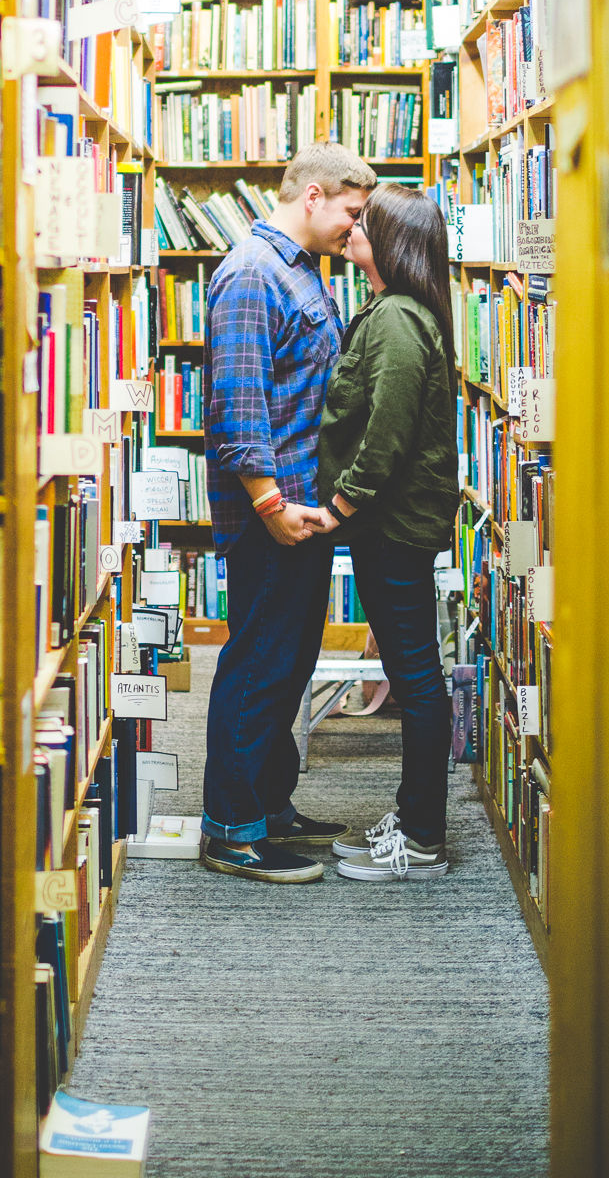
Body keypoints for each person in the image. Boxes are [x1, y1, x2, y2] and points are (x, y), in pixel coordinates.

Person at [198, 143, 377, 883]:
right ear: (313, 196)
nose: (355, 229)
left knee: (287, 661)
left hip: (302, 509)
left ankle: (270, 806)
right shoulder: (250, 274)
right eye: (352, 213)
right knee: (258, 664)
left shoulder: (300, 270)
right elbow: (238, 406)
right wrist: (269, 504)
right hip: (273, 512)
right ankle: (232, 830)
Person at [315, 184, 460, 882]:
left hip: (394, 527)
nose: (350, 230)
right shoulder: (391, 310)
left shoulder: (400, 318)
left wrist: (342, 506)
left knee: (416, 680)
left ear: (393, 242)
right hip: (393, 525)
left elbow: (388, 432)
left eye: (363, 223)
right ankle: (412, 818)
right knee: (414, 673)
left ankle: (425, 841)